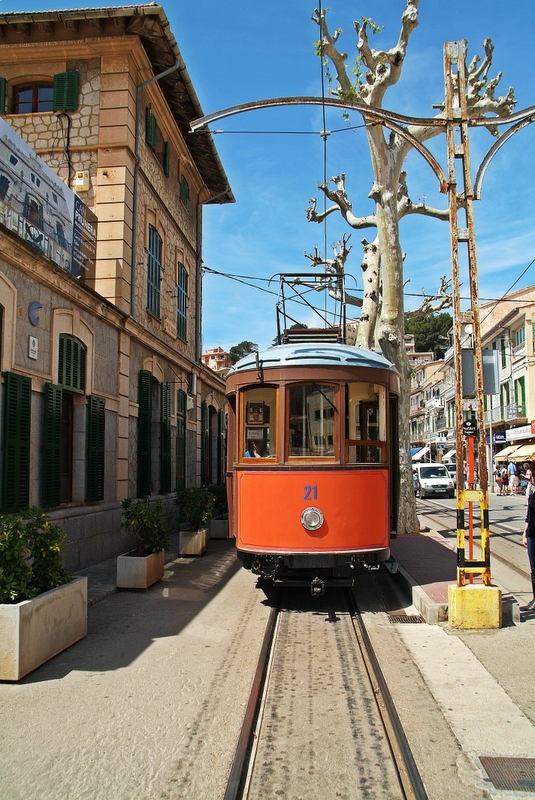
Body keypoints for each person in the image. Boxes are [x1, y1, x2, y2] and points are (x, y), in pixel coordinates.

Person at [522, 487, 535, 610]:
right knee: (534, 570)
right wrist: (525, 533)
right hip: (532, 535)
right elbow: (528, 516)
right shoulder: (532, 495)